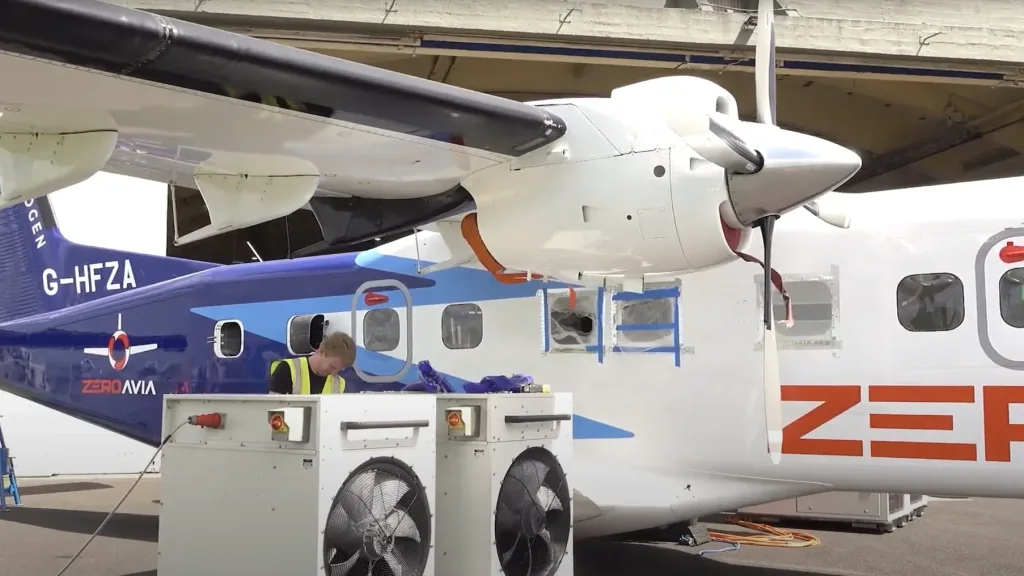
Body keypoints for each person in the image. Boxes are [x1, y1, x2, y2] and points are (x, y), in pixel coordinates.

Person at [268, 331, 356, 395]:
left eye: (339, 370)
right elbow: (273, 411)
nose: (334, 373)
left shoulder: (338, 383)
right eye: (332, 366)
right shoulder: (287, 369)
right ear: (321, 351)